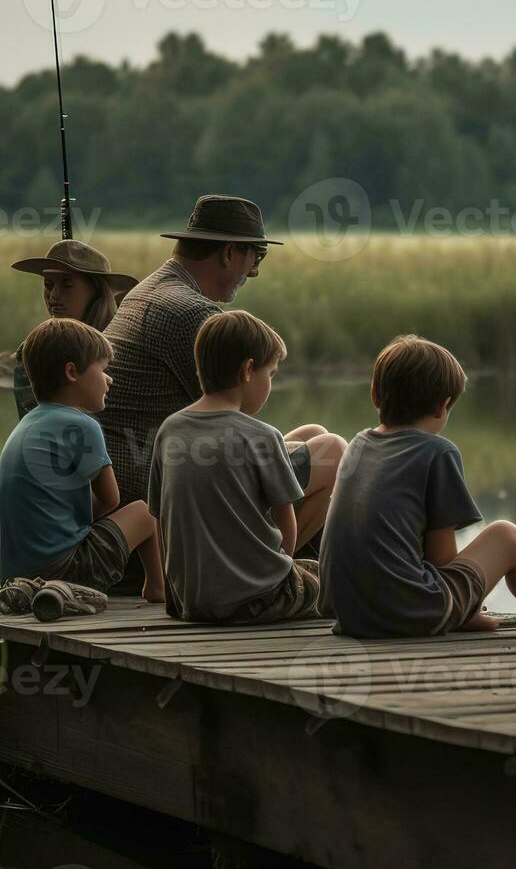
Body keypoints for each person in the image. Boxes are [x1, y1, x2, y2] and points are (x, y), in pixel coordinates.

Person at [318, 335, 516, 639]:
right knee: (505, 536)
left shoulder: (359, 445)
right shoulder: (436, 452)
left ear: (375, 395)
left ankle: (456, 610)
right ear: (443, 406)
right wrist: (461, 606)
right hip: (407, 614)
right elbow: (443, 560)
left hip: (349, 616)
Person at [98, 194, 344, 587]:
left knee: (311, 435)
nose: (255, 272)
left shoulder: (149, 290)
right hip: (159, 516)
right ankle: (263, 577)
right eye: (256, 257)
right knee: (333, 453)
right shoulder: (193, 314)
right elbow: (242, 420)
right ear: (230, 253)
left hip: (139, 491)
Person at [150, 311, 341, 624]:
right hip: (256, 600)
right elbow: (287, 526)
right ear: (249, 370)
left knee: (311, 434)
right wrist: (283, 569)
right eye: (272, 374)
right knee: (340, 579)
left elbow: (159, 517)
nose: (270, 383)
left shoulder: (170, 429)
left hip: (191, 600)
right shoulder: (262, 436)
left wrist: (174, 594)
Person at [0, 318, 163, 605]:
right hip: (65, 567)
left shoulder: (26, 425)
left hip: (14, 573)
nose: (109, 380)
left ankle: (38, 590)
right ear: (72, 372)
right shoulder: (83, 426)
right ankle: (157, 589)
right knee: (145, 512)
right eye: (103, 370)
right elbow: (110, 499)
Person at [8, 240, 138, 419]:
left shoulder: (127, 339)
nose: (53, 295)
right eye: (48, 285)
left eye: (66, 285)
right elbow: (39, 423)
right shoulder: (36, 351)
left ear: (97, 291)